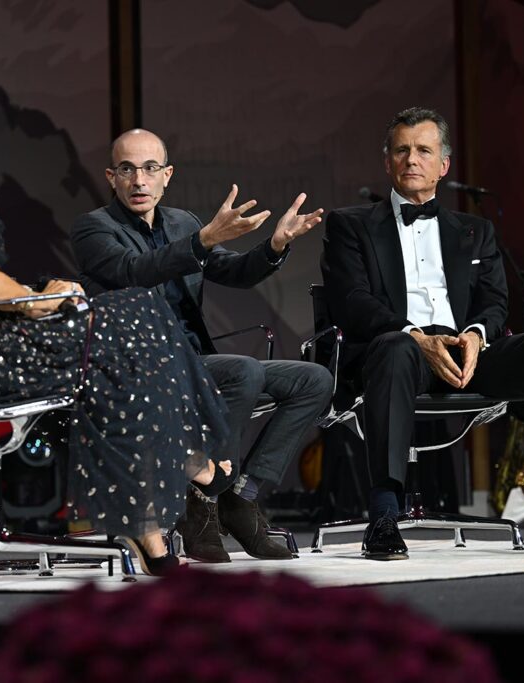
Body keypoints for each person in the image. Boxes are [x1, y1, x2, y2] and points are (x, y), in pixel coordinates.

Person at [0, 53, 234, 576]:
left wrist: (41, 294)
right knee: (133, 316)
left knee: (117, 364)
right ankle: (195, 464)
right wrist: (46, 298)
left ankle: (153, 532)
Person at [322, 106, 524, 559]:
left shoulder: (475, 230)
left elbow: (495, 302)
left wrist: (475, 335)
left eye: (423, 150)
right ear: (387, 161)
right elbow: (352, 302)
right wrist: (416, 336)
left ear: (443, 166)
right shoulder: (351, 225)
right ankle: (383, 517)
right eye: (402, 150)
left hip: (464, 351)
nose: (411, 159)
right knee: (396, 348)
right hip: (399, 351)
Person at [71, 129, 334, 563]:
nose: (139, 180)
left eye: (150, 168)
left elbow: (232, 272)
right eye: (127, 169)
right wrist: (203, 241)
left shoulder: (184, 223)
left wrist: (275, 245)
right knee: (243, 371)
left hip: (197, 362)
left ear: (167, 175)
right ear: (111, 177)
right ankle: (201, 501)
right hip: (144, 369)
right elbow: (135, 270)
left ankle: (238, 497)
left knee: (313, 379)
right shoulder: (94, 229)